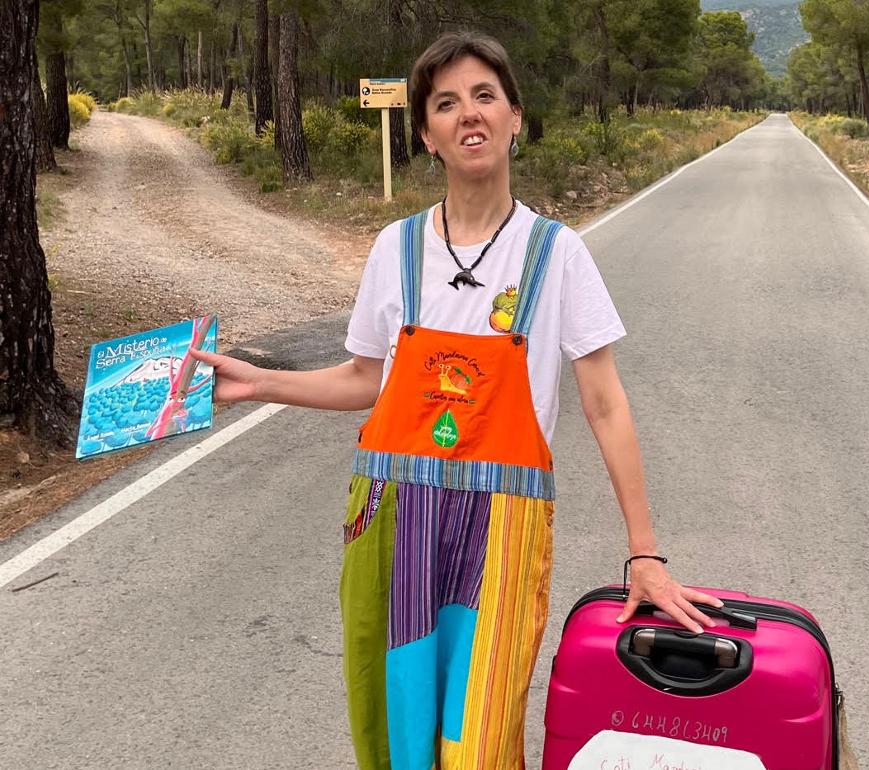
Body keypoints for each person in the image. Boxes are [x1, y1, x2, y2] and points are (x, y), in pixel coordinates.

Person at [190, 31, 721, 769]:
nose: (468, 114)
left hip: (502, 528)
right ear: (426, 136)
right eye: (445, 104)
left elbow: (605, 405)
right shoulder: (395, 250)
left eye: (484, 96)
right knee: (397, 735)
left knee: (479, 740)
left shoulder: (555, 254)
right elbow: (365, 380)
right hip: (392, 520)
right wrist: (261, 382)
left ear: (514, 119)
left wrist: (645, 553)